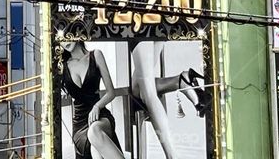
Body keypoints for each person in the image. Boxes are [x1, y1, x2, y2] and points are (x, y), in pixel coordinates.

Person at [58, 41, 207, 159]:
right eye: (61, 40)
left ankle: (182, 81)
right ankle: (181, 80)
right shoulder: (62, 67)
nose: (66, 42)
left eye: (67, 34)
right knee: (96, 152)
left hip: (101, 118)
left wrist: (97, 106)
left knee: (94, 132)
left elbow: (111, 92)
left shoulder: (95, 55)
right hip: (79, 124)